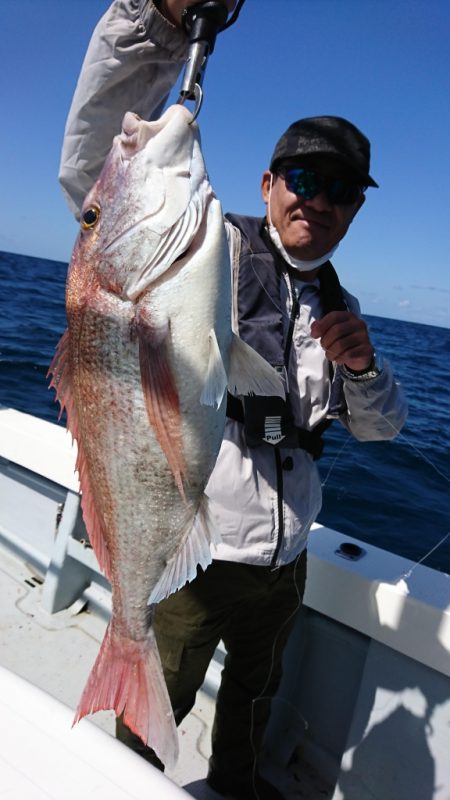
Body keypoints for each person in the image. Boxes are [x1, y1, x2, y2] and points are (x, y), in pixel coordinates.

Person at [59, 2, 408, 798]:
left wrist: (363, 372)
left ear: (354, 210)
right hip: (195, 556)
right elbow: (93, 177)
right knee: (152, 717)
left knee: (254, 698)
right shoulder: (208, 241)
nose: (317, 200)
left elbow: (384, 430)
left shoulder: (341, 309)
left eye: (341, 189)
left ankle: (237, 784)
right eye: (304, 179)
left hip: (284, 566)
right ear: (269, 183)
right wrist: (156, 19)